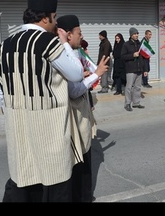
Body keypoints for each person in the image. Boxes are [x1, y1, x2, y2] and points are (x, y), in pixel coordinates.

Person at [0, 0, 86, 202]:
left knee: (25, 178)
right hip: (50, 128)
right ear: (46, 17)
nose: (56, 24)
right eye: (54, 18)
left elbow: (1, 91)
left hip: (18, 126)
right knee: (55, 182)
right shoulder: (48, 42)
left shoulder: (4, 46)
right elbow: (75, 74)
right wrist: (64, 42)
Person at [56, 14, 109, 202]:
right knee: (80, 164)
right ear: (68, 35)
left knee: (84, 161)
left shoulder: (74, 52)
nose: (82, 35)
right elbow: (74, 90)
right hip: (74, 120)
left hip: (82, 116)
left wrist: (89, 74)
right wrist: (96, 75)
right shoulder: (62, 55)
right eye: (79, 32)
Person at [121, 27, 147, 111]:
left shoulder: (140, 44)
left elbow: (144, 57)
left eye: (137, 33)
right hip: (131, 69)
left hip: (139, 69)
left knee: (138, 87)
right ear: (131, 35)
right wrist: (132, 55)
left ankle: (136, 103)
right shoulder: (126, 44)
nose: (136, 35)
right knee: (129, 87)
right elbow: (122, 56)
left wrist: (145, 69)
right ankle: (127, 104)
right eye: (135, 34)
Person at [80, 39, 95, 110]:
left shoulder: (83, 52)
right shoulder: (79, 52)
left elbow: (87, 63)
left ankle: (91, 105)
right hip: (82, 73)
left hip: (85, 73)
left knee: (87, 90)